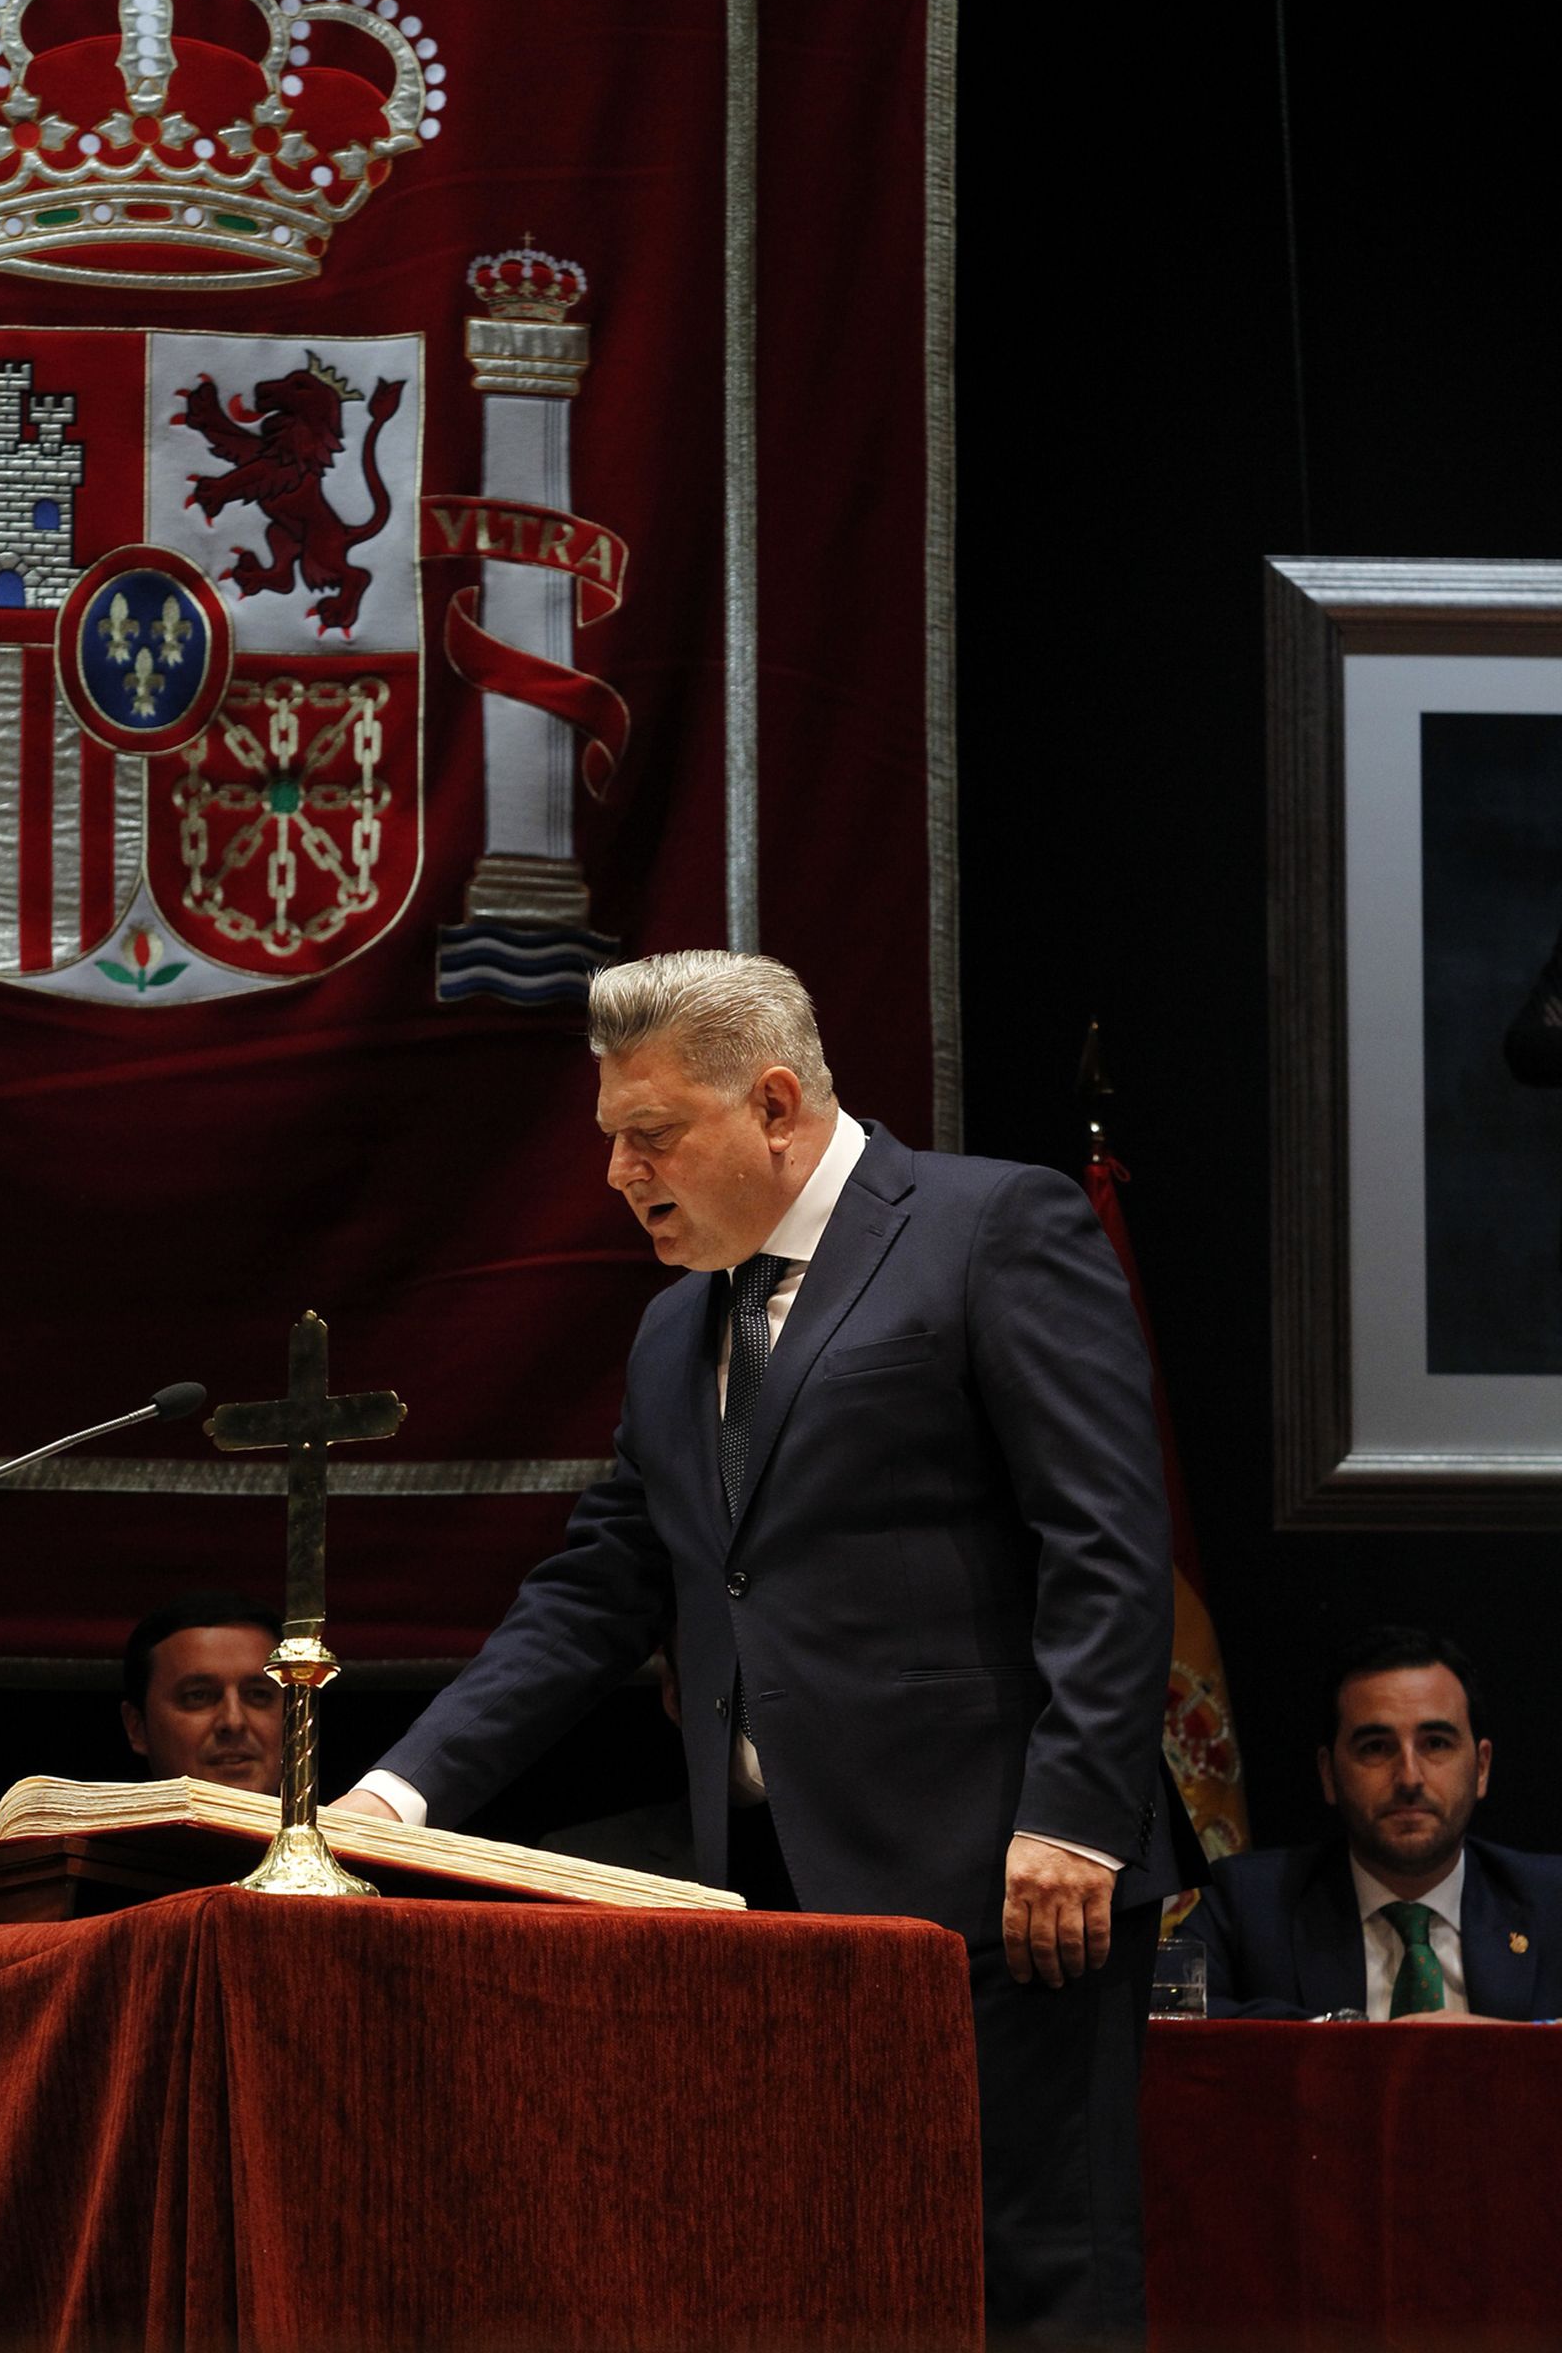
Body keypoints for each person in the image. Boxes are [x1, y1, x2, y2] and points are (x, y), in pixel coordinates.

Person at [333, 950, 1197, 2345]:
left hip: (996, 1884)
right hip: (766, 1903)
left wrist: (1079, 1818)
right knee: (818, 2277)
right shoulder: (679, 1324)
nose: (617, 1171)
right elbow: (593, 1592)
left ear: (777, 1104)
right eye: (609, 1134)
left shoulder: (992, 1229)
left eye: (650, 1133)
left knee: (1030, 2279)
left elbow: (1104, 1536)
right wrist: (396, 1797)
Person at [1178, 1624, 1562, 2022]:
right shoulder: (1246, 1904)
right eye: (1376, 1748)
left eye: (1436, 1744)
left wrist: (1502, 2047)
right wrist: (1357, 2045)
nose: (1410, 1777)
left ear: (1481, 1768)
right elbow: (1168, 2022)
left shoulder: (1552, 1903)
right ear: (1328, 1774)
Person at [120, 1589, 283, 1797]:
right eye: (198, 1696)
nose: (234, 1722)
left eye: (258, 1694)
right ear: (136, 1727)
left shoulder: (335, 1827)